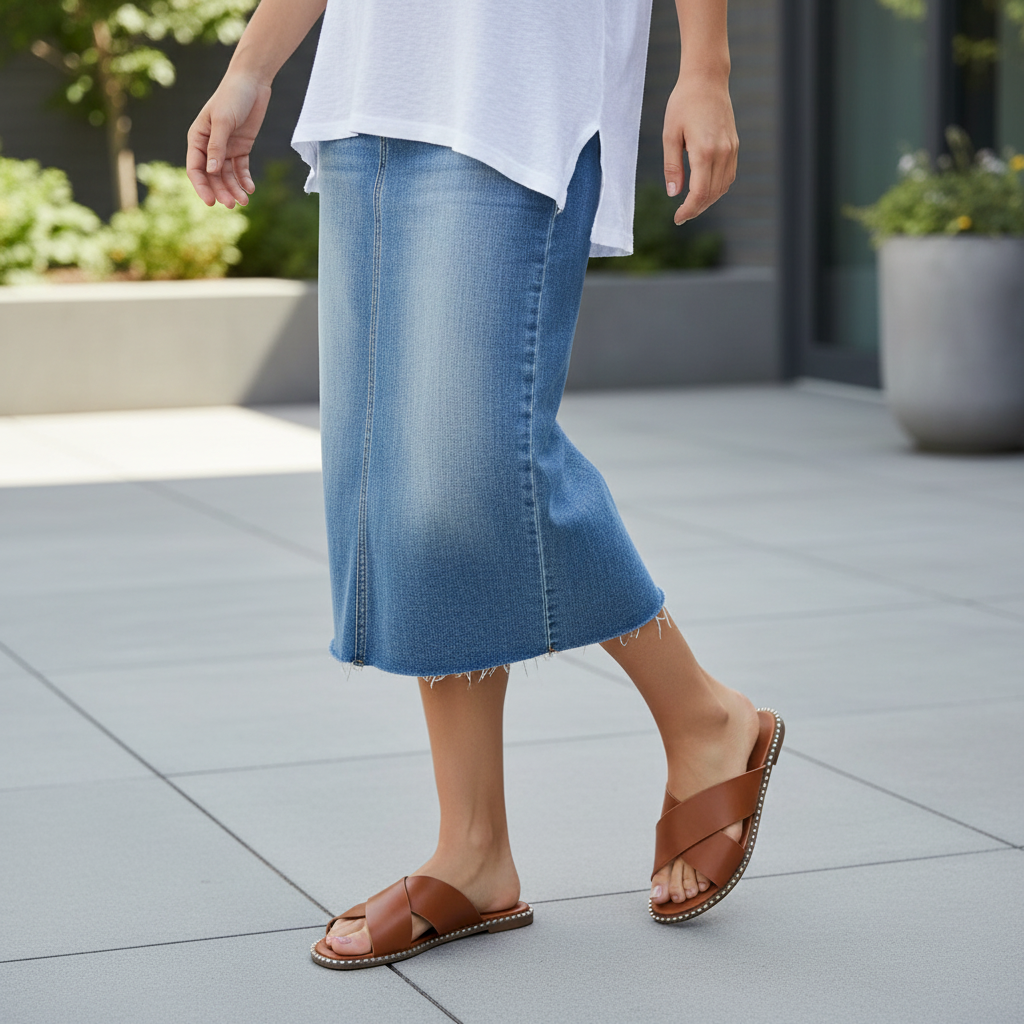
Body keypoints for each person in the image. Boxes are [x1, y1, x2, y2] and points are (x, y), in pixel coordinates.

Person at [187, 0, 783, 971]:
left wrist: (705, 63)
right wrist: (252, 65)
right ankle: (473, 854)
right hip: (368, 88)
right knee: (399, 481)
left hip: (519, 92)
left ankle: (705, 715)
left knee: (472, 467)